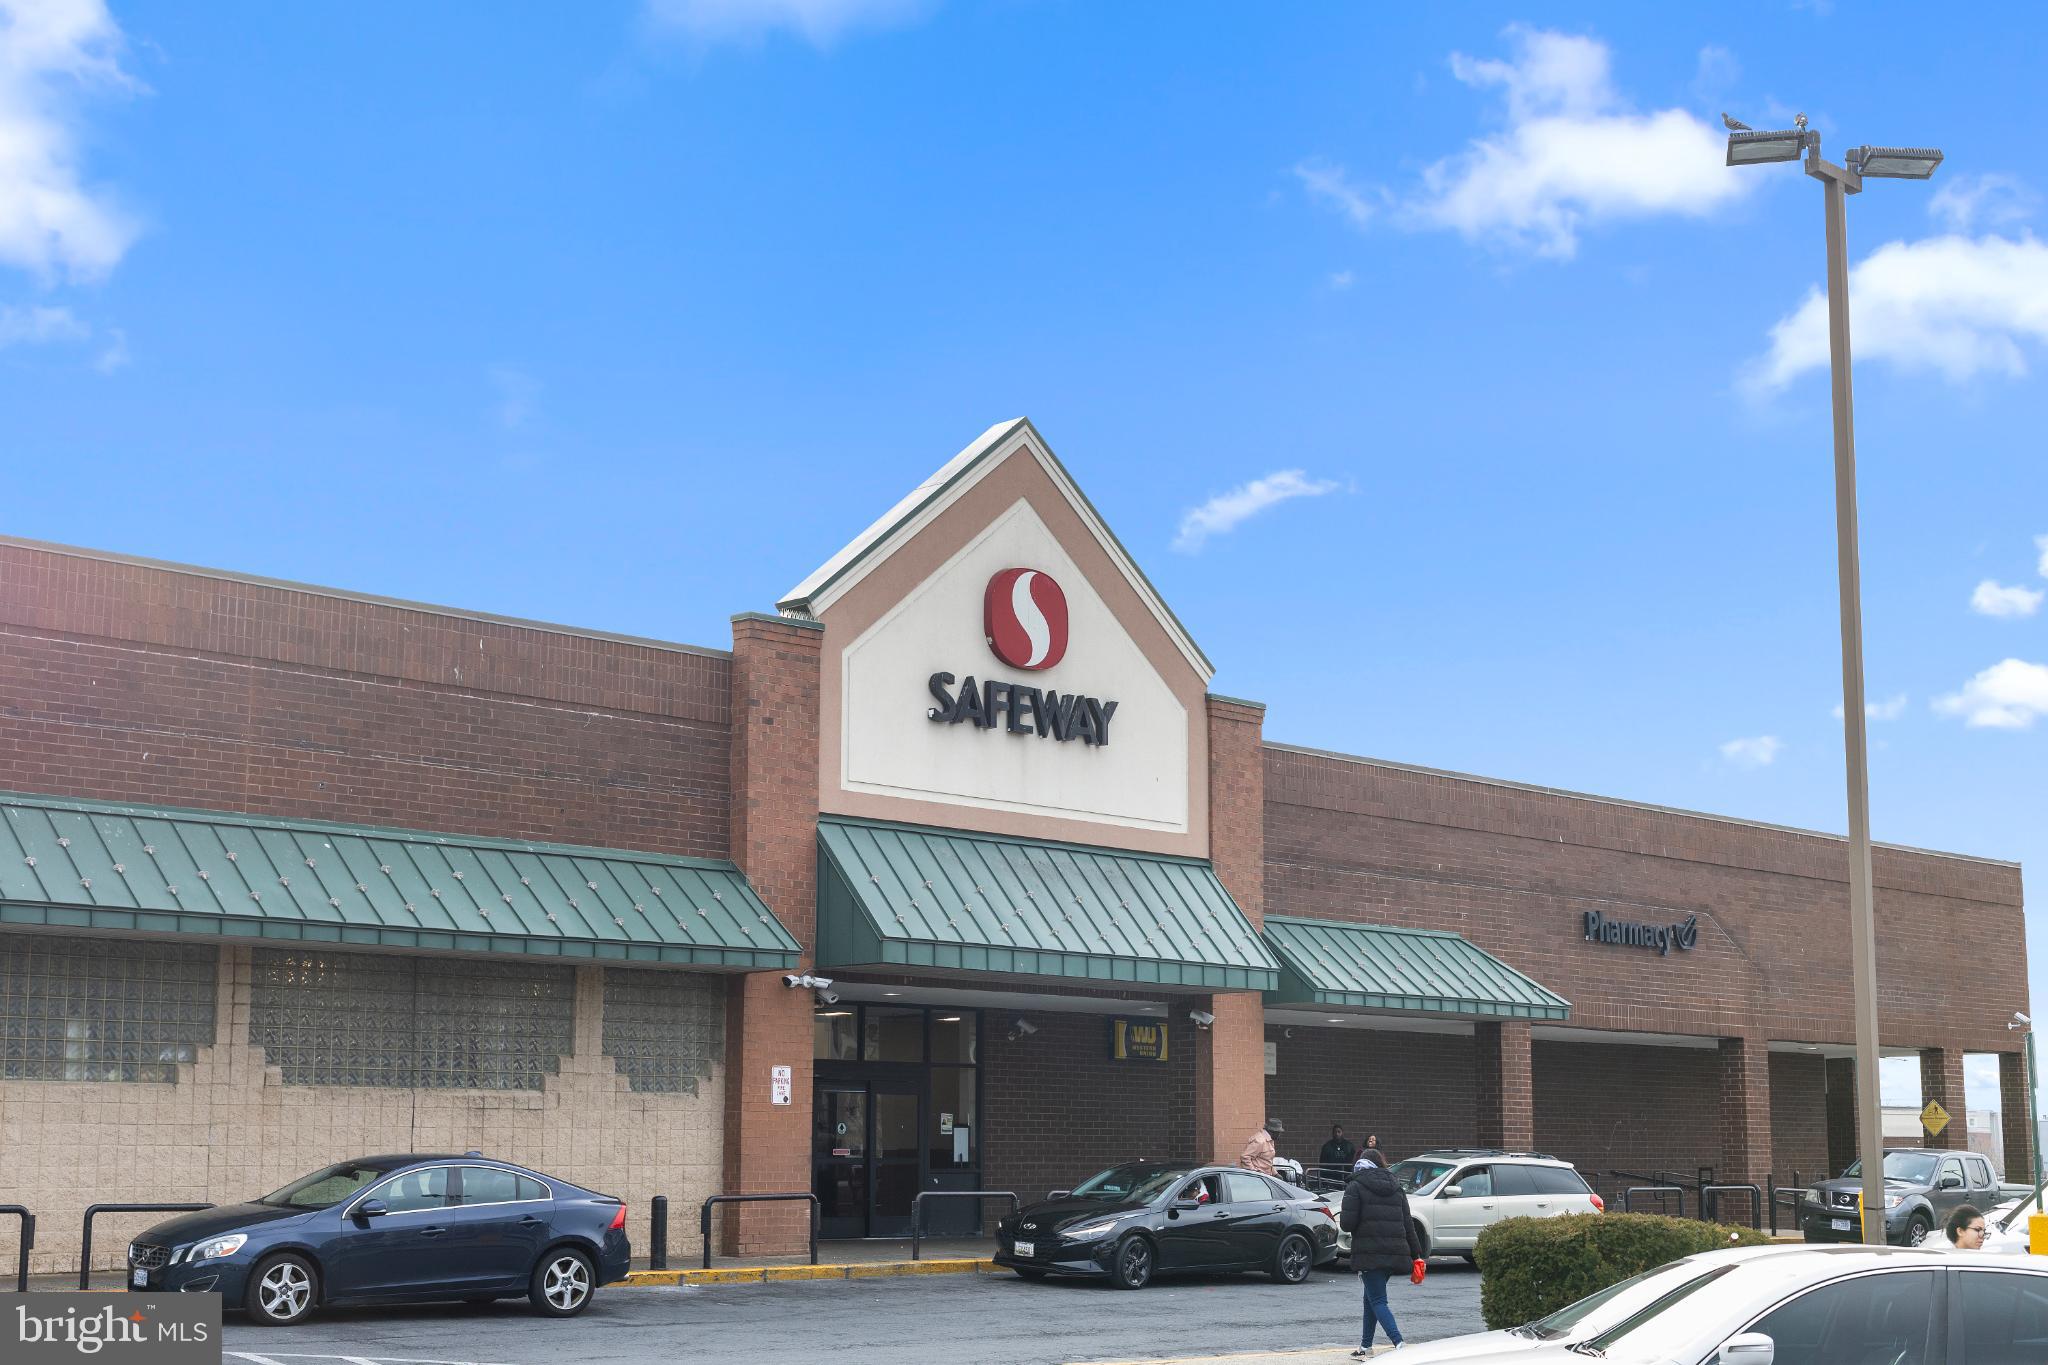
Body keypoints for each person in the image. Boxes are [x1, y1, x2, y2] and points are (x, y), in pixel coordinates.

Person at [1341, 1148, 1423, 1358]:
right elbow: (1408, 1224)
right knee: (1370, 1299)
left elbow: (1347, 1224)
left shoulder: (1355, 1185)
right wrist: (1417, 1254)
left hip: (1369, 1252)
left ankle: (1399, 1343)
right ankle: (1365, 1346)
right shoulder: (1396, 1187)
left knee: (1377, 1300)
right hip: (1395, 1252)